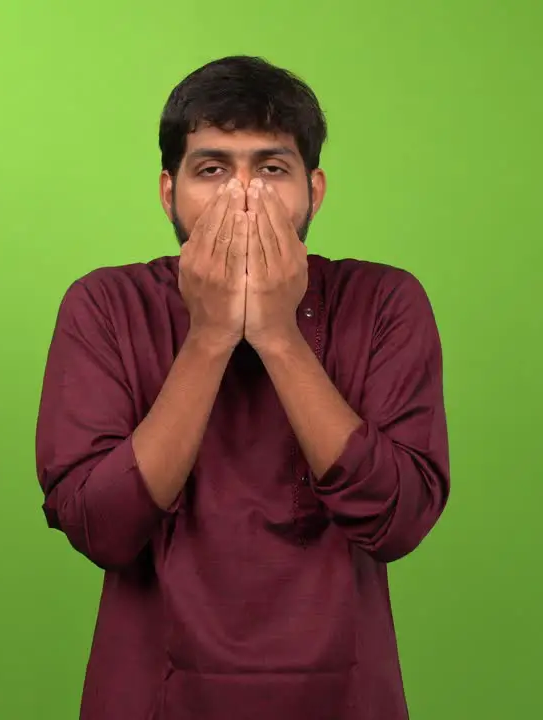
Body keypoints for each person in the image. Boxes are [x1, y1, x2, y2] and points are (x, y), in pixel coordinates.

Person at [34, 55, 451, 720]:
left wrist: (279, 336)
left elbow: (398, 520)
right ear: (168, 192)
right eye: (212, 169)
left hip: (342, 696)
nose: (244, 197)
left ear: (314, 190)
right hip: (154, 695)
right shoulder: (105, 306)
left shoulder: (384, 302)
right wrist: (208, 337)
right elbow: (101, 527)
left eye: (272, 168)